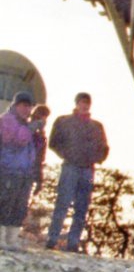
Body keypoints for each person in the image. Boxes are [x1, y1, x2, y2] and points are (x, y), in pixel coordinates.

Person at [45, 91, 108, 252]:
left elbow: (104, 147)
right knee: (63, 203)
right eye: (82, 102)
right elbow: (53, 142)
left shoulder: (96, 126)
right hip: (70, 167)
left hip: (87, 169)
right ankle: (52, 238)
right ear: (76, 103)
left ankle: (73, 241)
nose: (84, 105)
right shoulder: (64, 121)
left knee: (81, 206)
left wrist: (96, 158)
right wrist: (67, 154)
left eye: (87, 102)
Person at [0, 92, 38, 249]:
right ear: (16, 105)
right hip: (9, 170)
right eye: (24, 105)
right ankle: (1, 238)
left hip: (24, 172)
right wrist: (29, 129)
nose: (27, 109)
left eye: (29, 106)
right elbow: (14, 140)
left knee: (19, 206)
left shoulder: (25, 124)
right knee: (5, 204)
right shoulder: (7, 120)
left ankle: (12, 239)